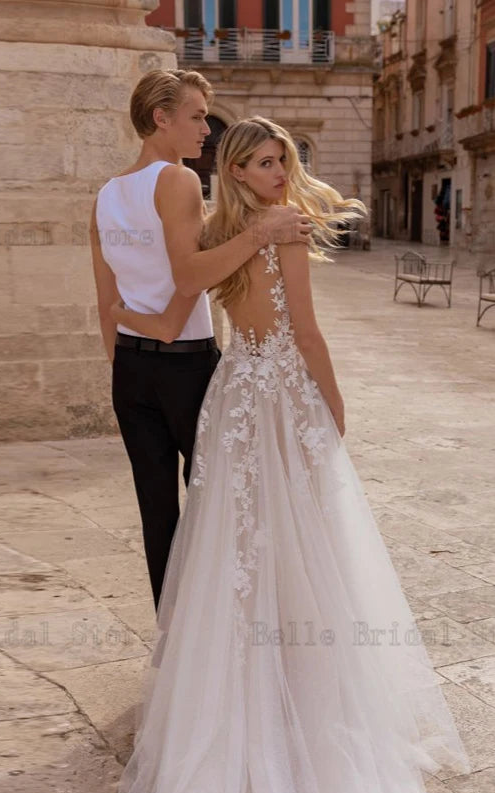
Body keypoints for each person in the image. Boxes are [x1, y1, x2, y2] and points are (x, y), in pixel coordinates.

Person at [75, 117, 482, 793]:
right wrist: (332, 410)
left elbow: (182, 292)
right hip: (274, 393)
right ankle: (297, 697)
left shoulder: (218, 232)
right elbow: (306, 332)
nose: (273, 171)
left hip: (233, 393)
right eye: (260, 161)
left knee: (241, 552)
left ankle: (264, 686)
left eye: (281, 161)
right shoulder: (281, 228)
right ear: (236, 168)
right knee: (297, 551)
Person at [91, 69, 312, 610]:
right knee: (226, 505)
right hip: (185, 368)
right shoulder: (179, 180)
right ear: (160, 118)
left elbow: (107, 304)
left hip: (129, 371)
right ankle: (227, 633)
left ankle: (174, 642)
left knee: (157, 511)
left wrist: (129, 361)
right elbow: (190, 275)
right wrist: (263, 231)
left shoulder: (106, 194)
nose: (205, 131)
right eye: (195, 117)